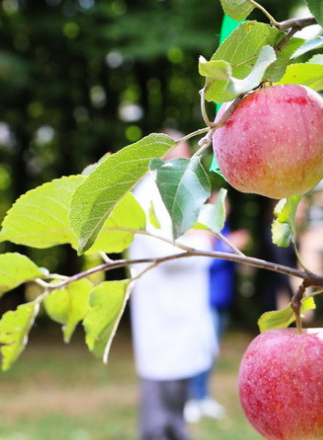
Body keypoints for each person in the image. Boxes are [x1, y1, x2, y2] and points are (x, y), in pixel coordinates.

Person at [128, 136, 217, 440]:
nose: (188, 161)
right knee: (160, 412)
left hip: (180, 317)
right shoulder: (150, 191)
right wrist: (204, 242)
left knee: (176, 401)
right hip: (164, 317)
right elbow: (165, 251)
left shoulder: (175, 189)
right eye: (181, 155)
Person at [185, 214, 250, 423]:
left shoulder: (224, 228)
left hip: (223, 299)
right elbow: (202, 261)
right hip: (206, 300)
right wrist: (230, 248)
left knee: (211, 350)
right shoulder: (201, 227)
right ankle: (192, 398)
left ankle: (203, 396)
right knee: (200, 349)